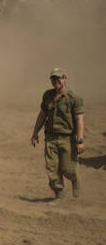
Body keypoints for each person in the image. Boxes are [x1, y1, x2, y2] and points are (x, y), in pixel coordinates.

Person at [30, 67, 85, 200]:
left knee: (68, 168)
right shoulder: (48, 95)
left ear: (65, 79)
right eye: (53, 78)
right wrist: (35, 133)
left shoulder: (74, 98)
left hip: (68, 138)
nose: (56, 81)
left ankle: (75, 181)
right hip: (51, 137)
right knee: (52, 168)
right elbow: (42, 115)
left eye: (59, 78)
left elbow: (79, 119)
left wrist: (80, 140)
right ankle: (59, 194)